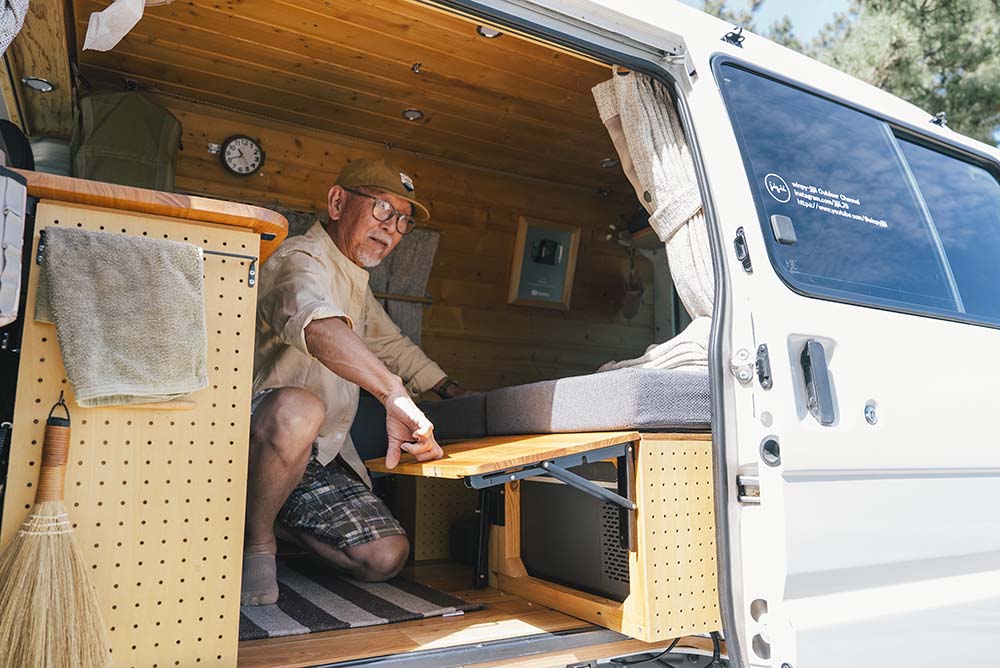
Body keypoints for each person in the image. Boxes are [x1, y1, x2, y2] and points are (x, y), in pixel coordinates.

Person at [241, 159, 463, 606]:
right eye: (382, 209)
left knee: (385, 557)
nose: (392, 228)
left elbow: (391, 343)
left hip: (317, 457)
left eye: (402, 221)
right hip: (253, 445)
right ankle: (256, 541)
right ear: (338, 203)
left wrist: (452, 391)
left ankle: (271, 514)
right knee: (301, 407)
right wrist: (392, 393)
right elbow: (318, 325)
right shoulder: (298, 258)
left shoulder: (353, 280)